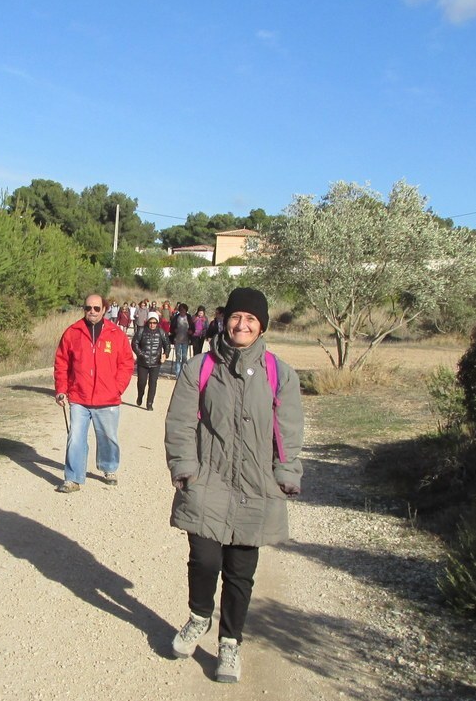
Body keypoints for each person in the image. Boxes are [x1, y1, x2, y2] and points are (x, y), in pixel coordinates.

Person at [164, 287, 303, 683]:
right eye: (236, 317)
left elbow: (288, 430)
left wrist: (286, 472)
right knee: (205, 560)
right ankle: (198, 616)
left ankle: (230, 644)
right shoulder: (200, 368)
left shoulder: (281, 373)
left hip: (256, 484)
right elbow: (180, 424)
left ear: (261, 327)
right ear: (224, 320)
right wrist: (185, 468)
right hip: (208, 479)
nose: (242, 325)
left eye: (251, 320)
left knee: (241, 571)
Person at [54, 293, 134, 493]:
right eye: (88, 308)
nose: (92, 312)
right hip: (79, 397)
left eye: (96, 308)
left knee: (108, 438)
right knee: (75, 438)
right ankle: (73, 478)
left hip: (108, 398)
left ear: (104, 309)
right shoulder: (72, 332)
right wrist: (61, 390)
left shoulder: (116, 334)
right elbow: (62, 363)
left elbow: (126, 363)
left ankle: (109, 467)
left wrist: (118, 387)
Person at [131, 311, 171, 411]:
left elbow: (167, 345)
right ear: (147, 322)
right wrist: (141, 354)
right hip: (142, 362)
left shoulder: (161, 332)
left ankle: (149, 403)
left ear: (157, 323)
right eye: (150, 322)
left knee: (153, 383)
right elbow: (134, 343)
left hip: (156, 362)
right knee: (141, 382)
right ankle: (140, 395)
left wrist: (165, 354)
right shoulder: (141, 331)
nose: (152, 325)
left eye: (154, 323)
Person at [169, 302, 192, 379]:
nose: (182, 311)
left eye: (184, 310)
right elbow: (171, 327)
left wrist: (191, 332)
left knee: (184, 357)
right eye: (181, 310)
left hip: (186, 339)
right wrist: (173, 330)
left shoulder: (189, 317)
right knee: (178, 357)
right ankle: (177, 374)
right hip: (177, 339)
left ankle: (183, 373)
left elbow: (193, 327)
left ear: (186, 310)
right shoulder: (176, 317)